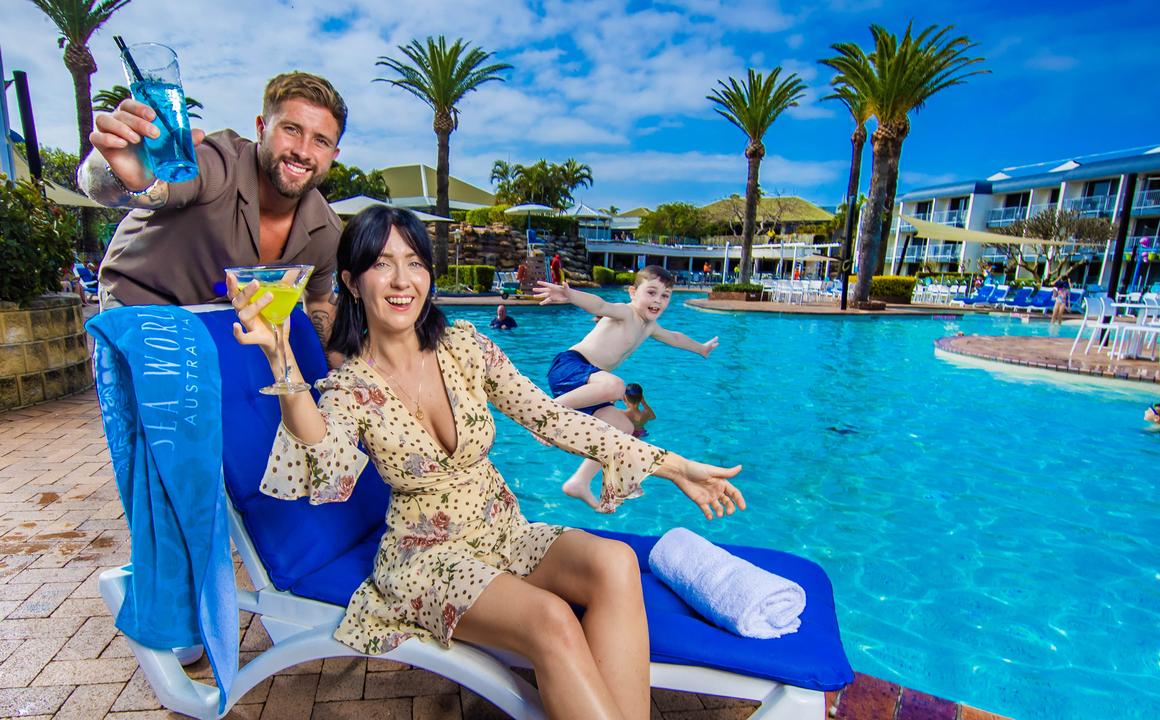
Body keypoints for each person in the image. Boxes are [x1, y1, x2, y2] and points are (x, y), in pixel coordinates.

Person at [228, 205, 744, 720]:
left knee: (615, 562)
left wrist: (675, 465)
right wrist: (283, 362)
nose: (402, 280)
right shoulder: (350, 388)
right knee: (551, 620)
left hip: (503, 531)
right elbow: (326, 462)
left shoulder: (466, 347)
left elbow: (550, 417)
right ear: (352, 281)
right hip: (423, 556)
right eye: (382, 264)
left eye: (415, 262)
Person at [78, 72, 345, 349]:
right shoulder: (217, 163)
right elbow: (130, 185)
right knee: (161, 391)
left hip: (219, 324)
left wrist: (334, 376)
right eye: (291, 129)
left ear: (334, 154)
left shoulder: (326, 230)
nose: (303, 151)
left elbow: (319, 302)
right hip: (139, 304)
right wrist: (121, 173)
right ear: (261, 128)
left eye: (320, 141)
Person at [534, 266, 719, 507]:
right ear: (633, 293)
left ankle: (579, 482)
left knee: (624, 427)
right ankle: (545, 415)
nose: (658, 300)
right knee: (616, 386)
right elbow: (599, 305)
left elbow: (674, 337)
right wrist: (571, 295)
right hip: (571, 366)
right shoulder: (626, 313)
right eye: (651, 292)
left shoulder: (649, 327)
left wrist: (701, 348)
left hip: (591, 385)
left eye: (665, 295)